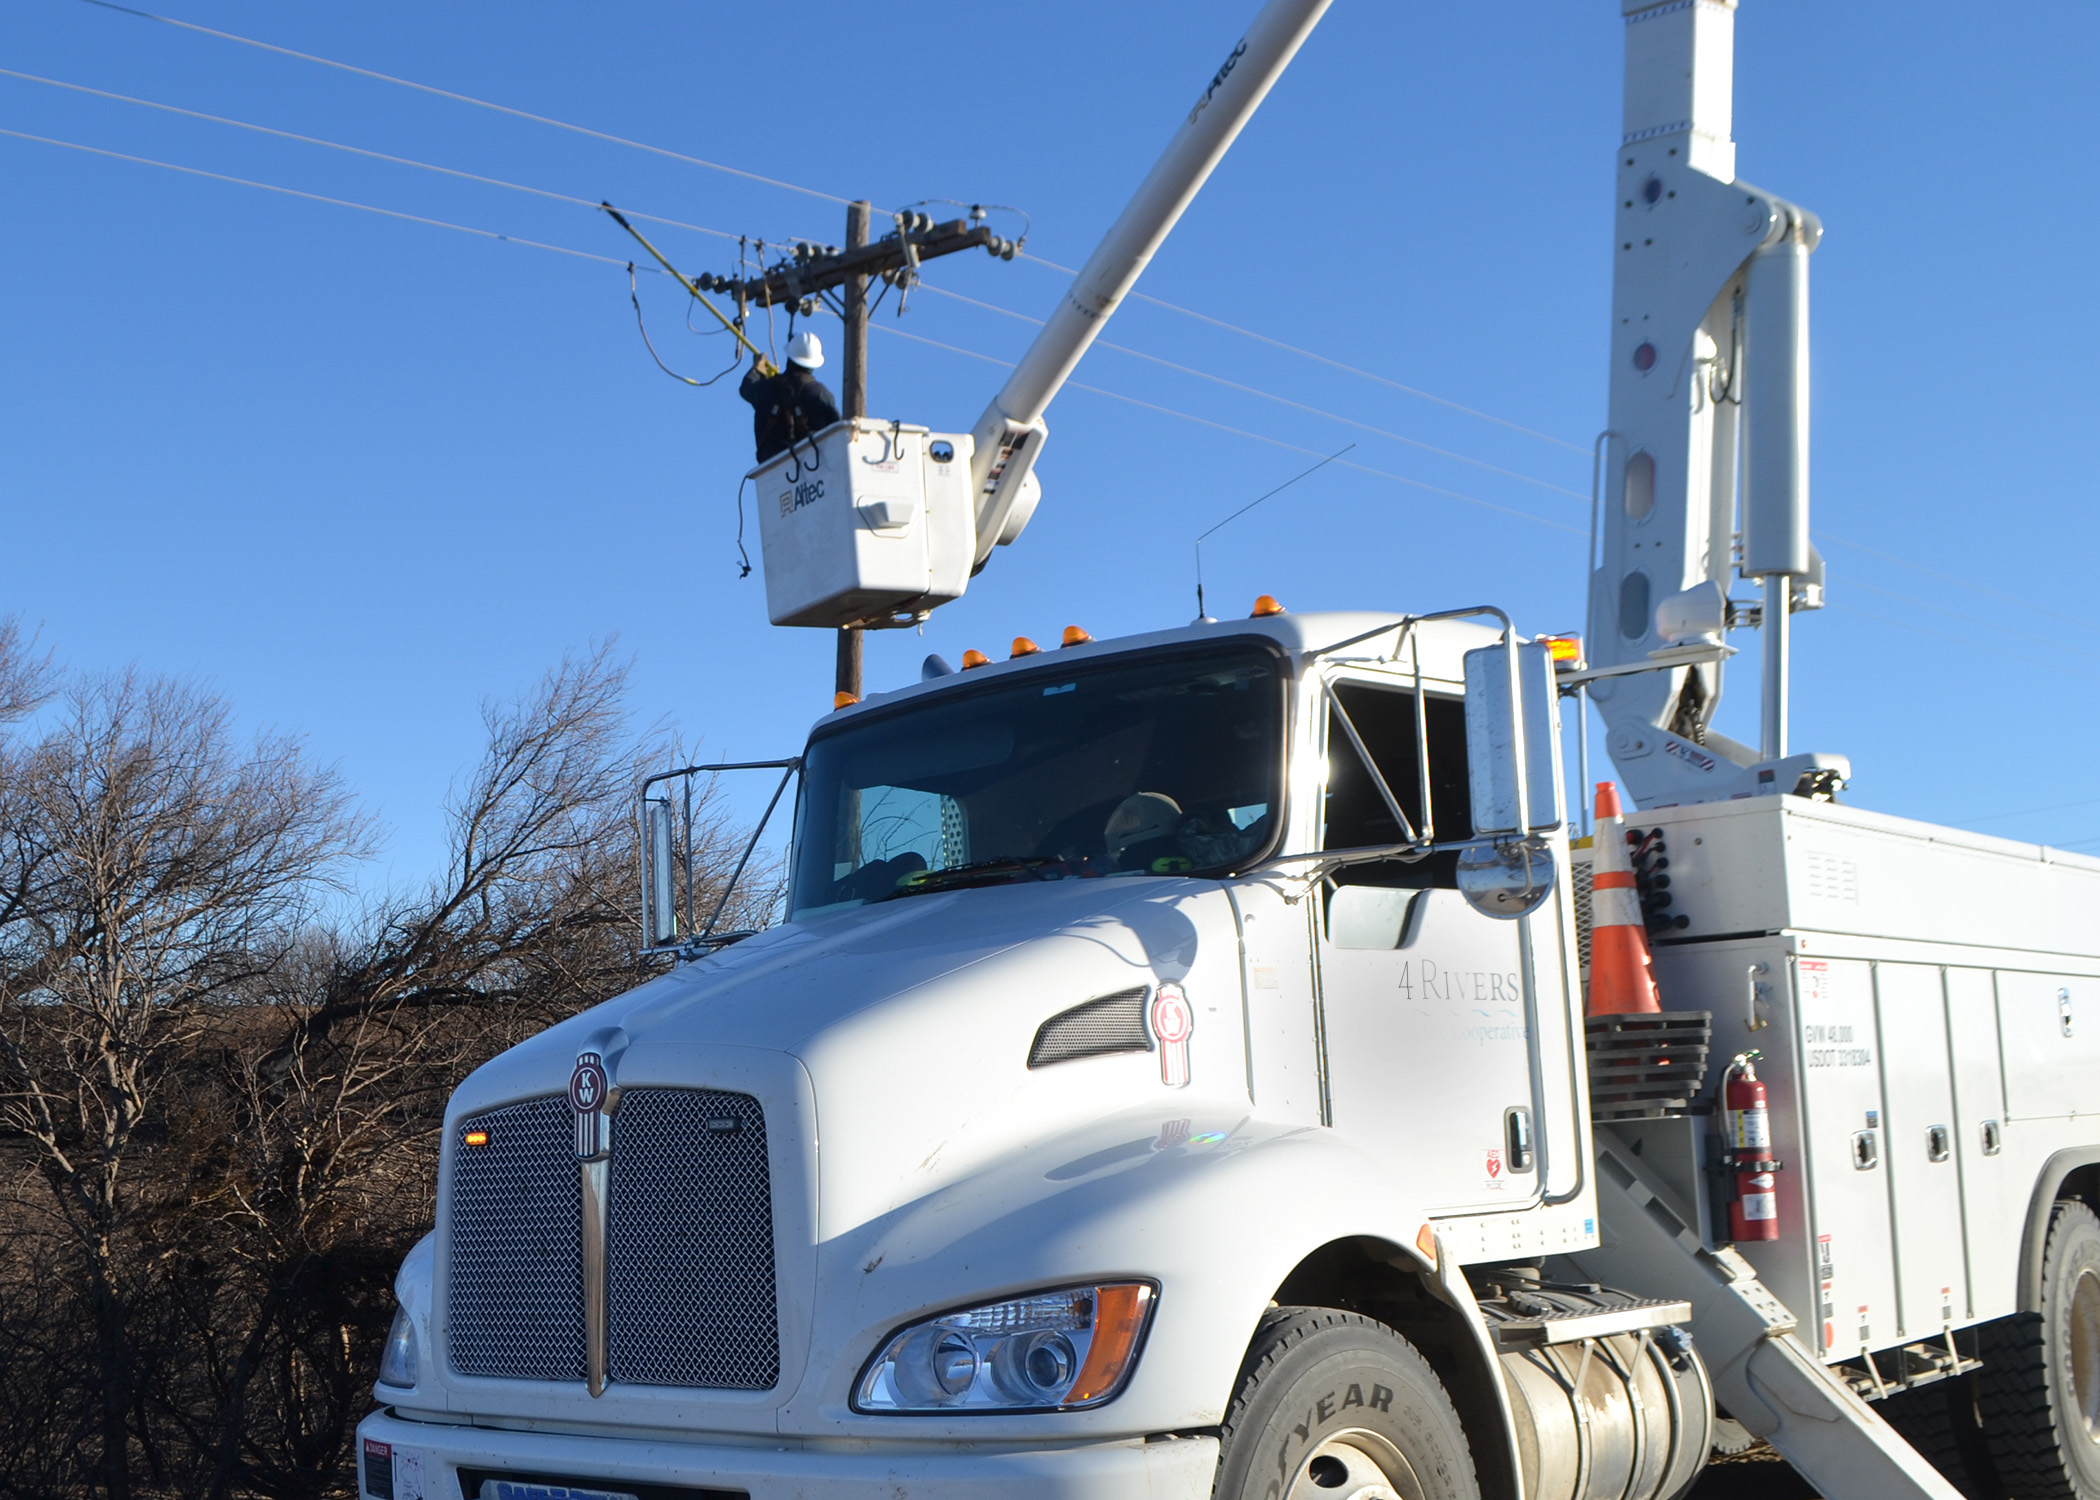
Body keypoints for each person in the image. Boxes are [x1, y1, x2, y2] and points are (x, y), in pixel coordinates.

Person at [739, 330, 842, 462]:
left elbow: (746, 388)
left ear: (789, 357)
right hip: (814, 466)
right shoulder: (818, 392)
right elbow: (839, 428)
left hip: (772, 467)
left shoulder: (768, 388)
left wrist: (756, 370)